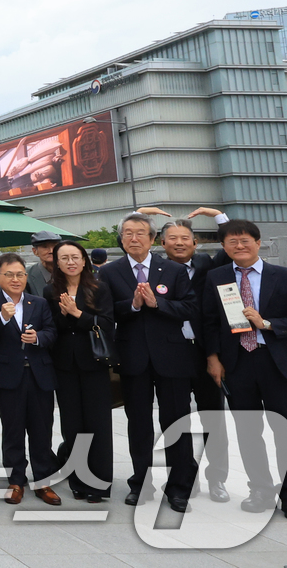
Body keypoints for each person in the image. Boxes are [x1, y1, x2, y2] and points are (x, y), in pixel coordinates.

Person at [203, 219, 287, 521]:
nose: (239, 246)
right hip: (238, 363)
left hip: (279, 363)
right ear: (224, 247)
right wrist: (213, 358)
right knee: (248, 431)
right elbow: (209, 321)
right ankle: (261, 490)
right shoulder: (217, 277)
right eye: (232, 242)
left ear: (258, 242)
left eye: (245, 240)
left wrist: (268, 324)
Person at [103, 212, 196, 512]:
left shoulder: (172, 269)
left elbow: (189, 307)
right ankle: (140, 483)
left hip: (172, 357)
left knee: (176, 422)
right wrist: (132, 304)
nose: (133, 238)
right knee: (139, 424)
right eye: (127, 233)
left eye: (140, 233)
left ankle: (179, 487)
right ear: (121, 238)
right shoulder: (109, 272)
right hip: (132, 358)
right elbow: (106, 313)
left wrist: (158, 304)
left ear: (152, 238)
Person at [152, 212, 232, 503]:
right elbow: (132, 240)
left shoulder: (206, 265)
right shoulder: (154, 270)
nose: (179, 242)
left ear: (195, 243)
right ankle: (183, 479)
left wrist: (219, 216)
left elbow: (230, 244)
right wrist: (142, 214)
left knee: (214, 418)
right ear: (162, 243)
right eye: (172, 238)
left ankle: (218, 478)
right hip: (170, 355)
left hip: (206, 352)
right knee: (175, 420)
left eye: (185, 238)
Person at [0, 253, 60, 505]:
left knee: (41, 429)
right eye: (10, 275)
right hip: (8, 376)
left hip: (39, 374)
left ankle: (43, 481)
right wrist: (3, 318)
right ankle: (16, 481)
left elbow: (52, 332)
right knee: (13, 430)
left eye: (20, 275)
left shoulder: (38, 302)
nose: (16, 279)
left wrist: (37, 338)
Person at [46, 241, 114, 502]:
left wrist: (77, 313)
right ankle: (78, 481)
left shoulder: (99, 288)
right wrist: (65, 316)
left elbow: (107, 324)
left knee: (98, 424)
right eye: (64, 258)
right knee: (72, 426)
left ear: (84, 260)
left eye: (75, 257)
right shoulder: (50, 290)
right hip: (64, 366)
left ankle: (98, 485)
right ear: (57, 263)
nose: (71, 262)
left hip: (94, 363)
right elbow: (53, 328)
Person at [26, 231, 61, 297]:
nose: (51, 251)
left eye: (55, 246)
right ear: (35, 251)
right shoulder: (26, 275)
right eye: (45, 247)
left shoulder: (70, 271)